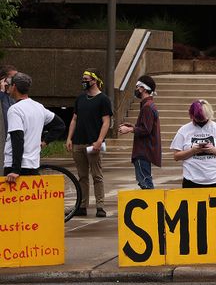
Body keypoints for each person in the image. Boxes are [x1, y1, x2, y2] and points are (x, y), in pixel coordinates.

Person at [66, 68, 113, 217]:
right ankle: (82, 205)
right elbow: (74, 119)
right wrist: (69, 138)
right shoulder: (80, 98)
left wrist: (99, 140)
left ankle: (100, 206)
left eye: (86, 79)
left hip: (93, 143)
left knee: (97, 175)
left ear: (94, 80)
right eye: (83, 79)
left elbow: (106, 121)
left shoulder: (103, 99)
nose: (84, 82)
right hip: (78, 142)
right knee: (82, 176)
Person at [4, 73, 57, 185]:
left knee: (13, 202)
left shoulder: (15, 110)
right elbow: (59, 125)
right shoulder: (38, 107)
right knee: (30, 202)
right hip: (33, 164)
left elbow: (17, 138)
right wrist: (45, 142)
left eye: (9, 85)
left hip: (16, 166)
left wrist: (15, 170)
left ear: (14, 87)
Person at [170, 99, 216, 188]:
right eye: (196, 119)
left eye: (203, 119)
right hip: (191, 180)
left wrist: (213, 150)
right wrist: (192, 151)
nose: (200, 122)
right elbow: (176, 156)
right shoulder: (183, 130)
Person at [117, 76, 161, 189]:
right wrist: (133, 126)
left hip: (143, 151)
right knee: (144, 180)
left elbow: (146, 129)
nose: (136, 89)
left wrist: (129, 129)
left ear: (143, 89)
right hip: (144, 150)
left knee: (145, 182)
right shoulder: (148, 105)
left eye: (137, 87)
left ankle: (153, 204)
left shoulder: (147, 107)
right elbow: (146, 127)